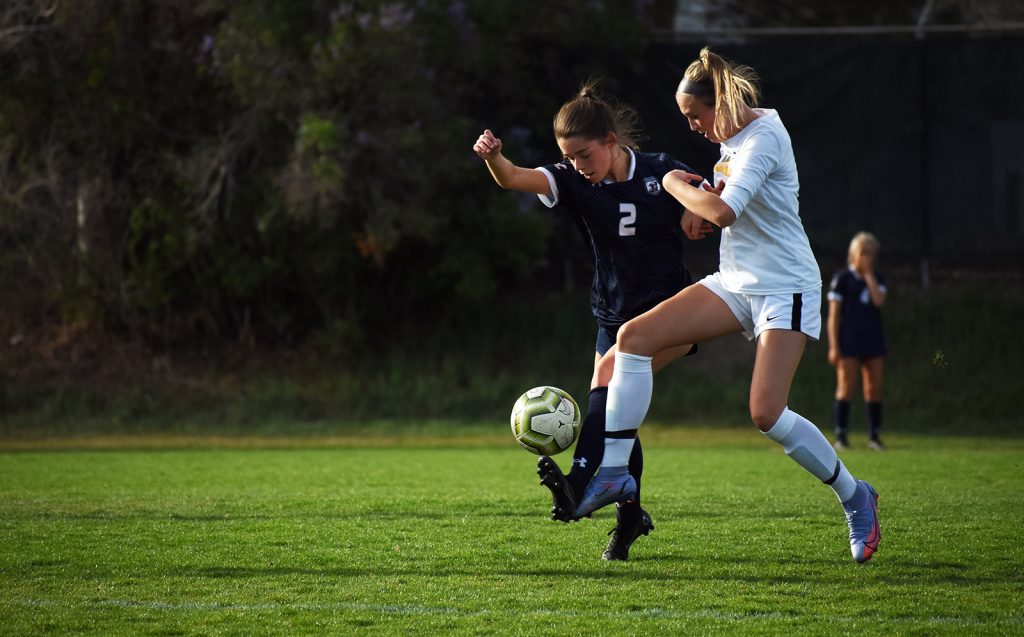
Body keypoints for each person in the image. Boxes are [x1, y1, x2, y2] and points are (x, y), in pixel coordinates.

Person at [570, 48, 882, 564]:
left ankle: (856, 496)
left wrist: (675, 186)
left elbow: (725, 211)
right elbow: (721, 207)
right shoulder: (730, 140)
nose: (692, 126)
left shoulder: (763, 137)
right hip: (736, 282)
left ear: (721, 103)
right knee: (633, 338)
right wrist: (700, 212)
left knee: (766, 413)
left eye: (695, 115)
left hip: (784, 285)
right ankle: (615, 473)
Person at [472, 81, 713, 561]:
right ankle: (629, 518)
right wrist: (493, 158)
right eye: (570, 157)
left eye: (585, 154)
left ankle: (579, 482)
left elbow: (715, 200)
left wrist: (696, 215)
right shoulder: (575, 180)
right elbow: (514, 177)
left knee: (610, 387)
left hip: (671, 312)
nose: (579, 165)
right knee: (618, 416)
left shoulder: (660, 170)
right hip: (612, 315)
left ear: (610, 140)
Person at [828, 232, 888, 451]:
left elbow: (878, 301)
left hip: (873, 341)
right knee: (845, 388)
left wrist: (869, 277)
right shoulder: (842, 279)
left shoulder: (878, 278)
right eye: (863, 253)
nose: (866, 258)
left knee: (873, 389)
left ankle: (874, 436)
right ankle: (841, 435)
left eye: (870, 254)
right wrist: (834, 346)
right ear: (853, 254)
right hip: (849, 342)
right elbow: (833, 316)